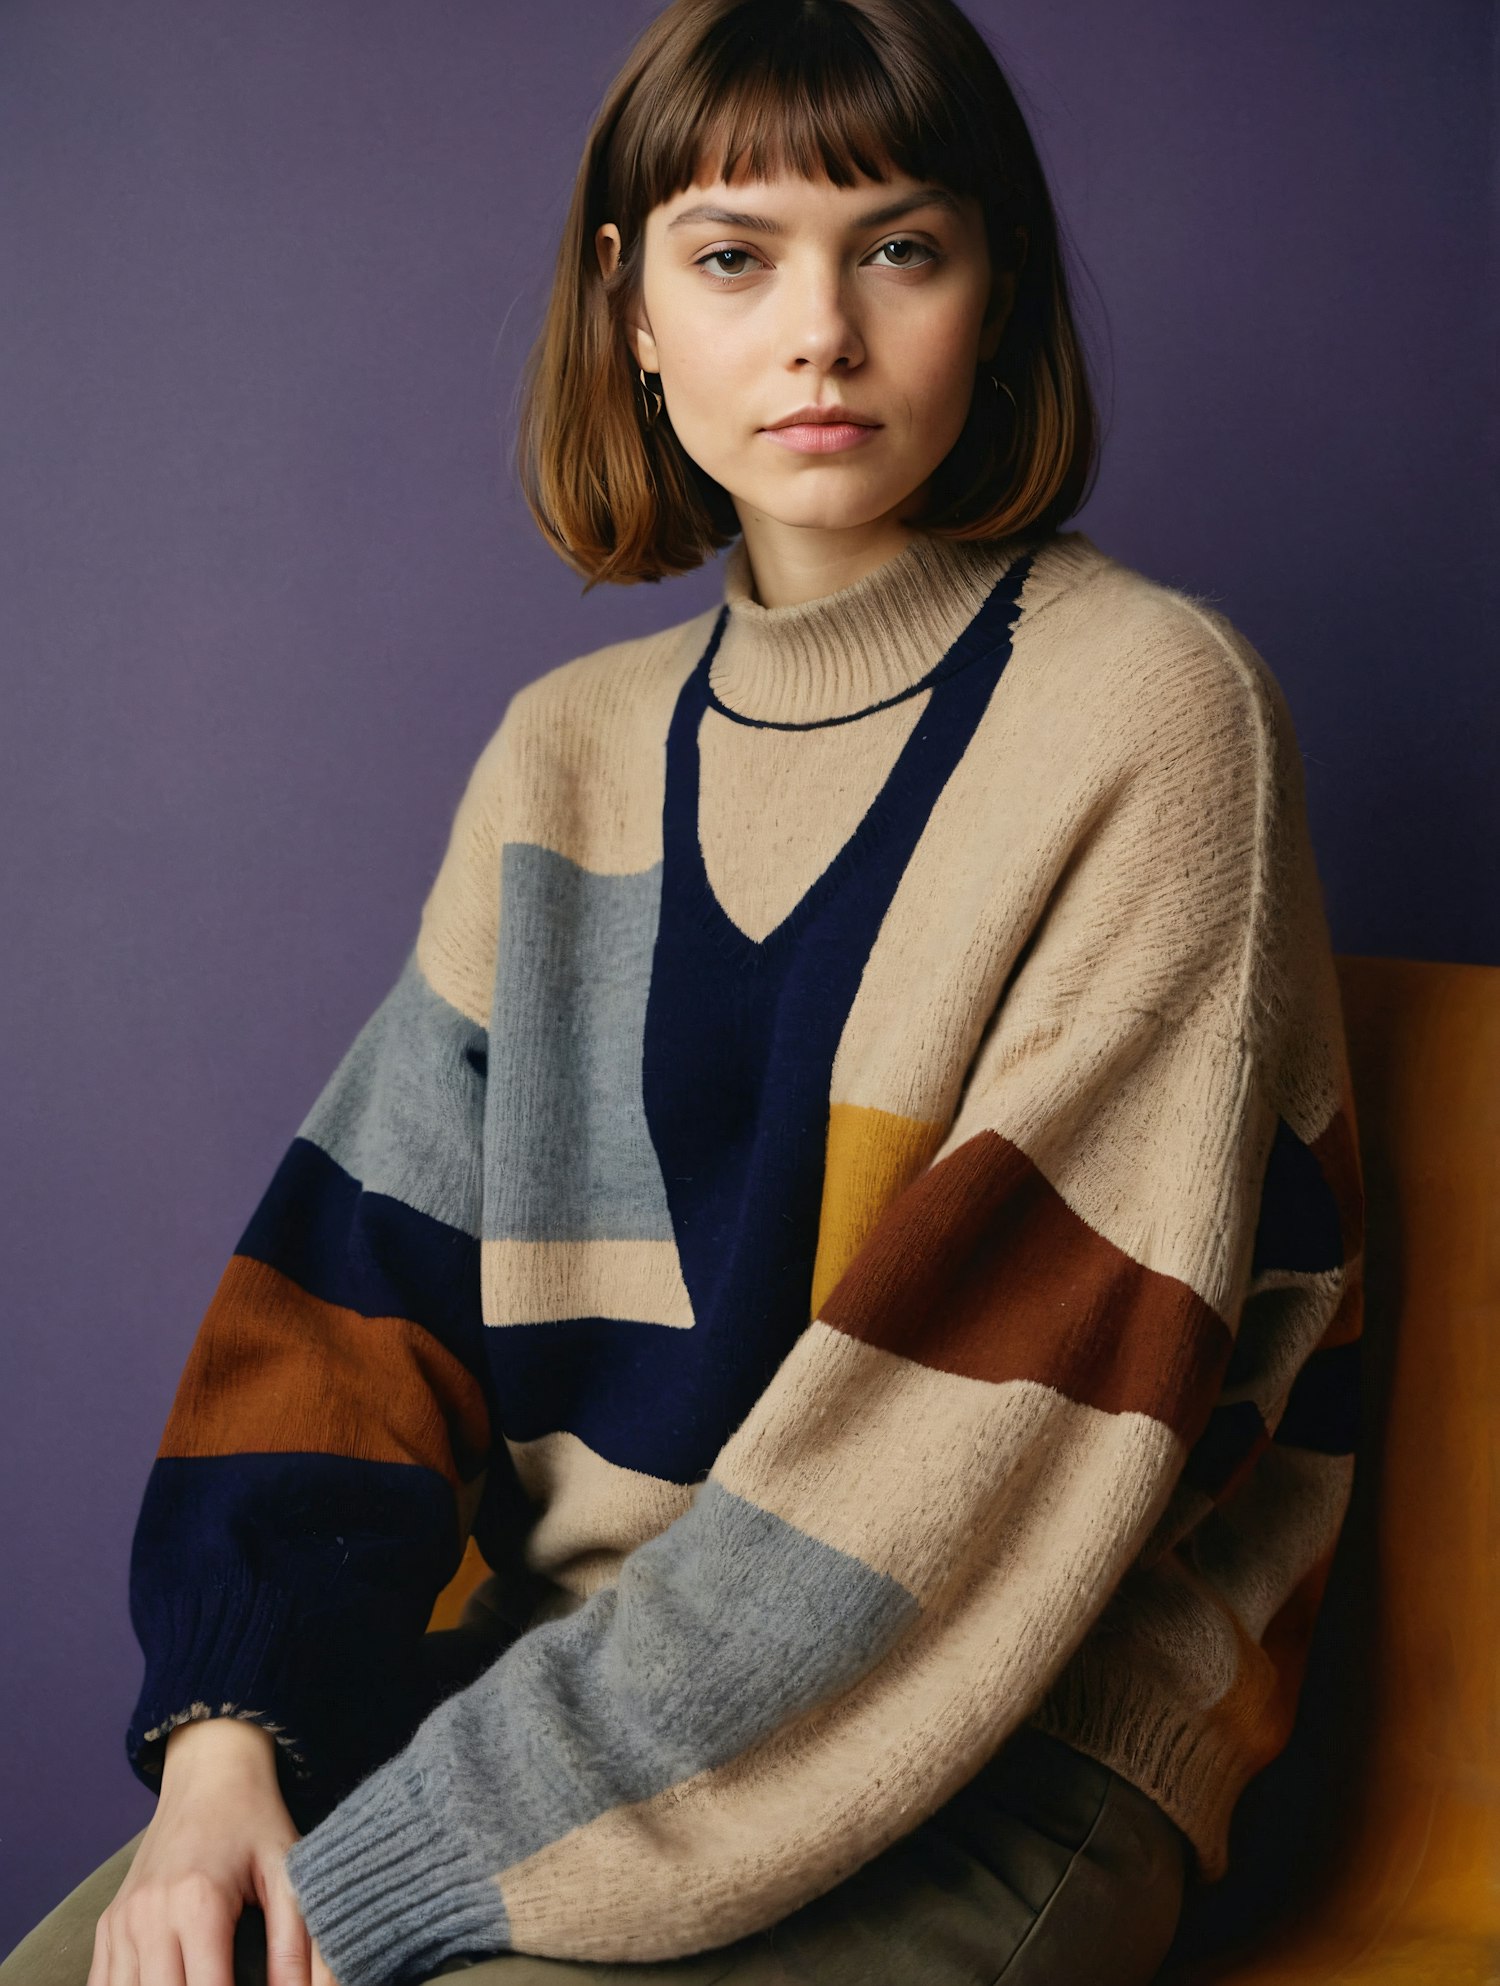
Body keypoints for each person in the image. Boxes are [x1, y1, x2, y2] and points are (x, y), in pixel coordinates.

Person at [3, 2, 1366, 1983]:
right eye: (735, 256)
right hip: (576, 1704)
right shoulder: (567, 757)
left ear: (995, 298)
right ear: (633, 311)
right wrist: (233, 1746)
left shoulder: (1148, 717)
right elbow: (354, 1301)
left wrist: (387, 1885)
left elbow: (959, 1483)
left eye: (901, 246)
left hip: (1003, 1738)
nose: (822, 328)